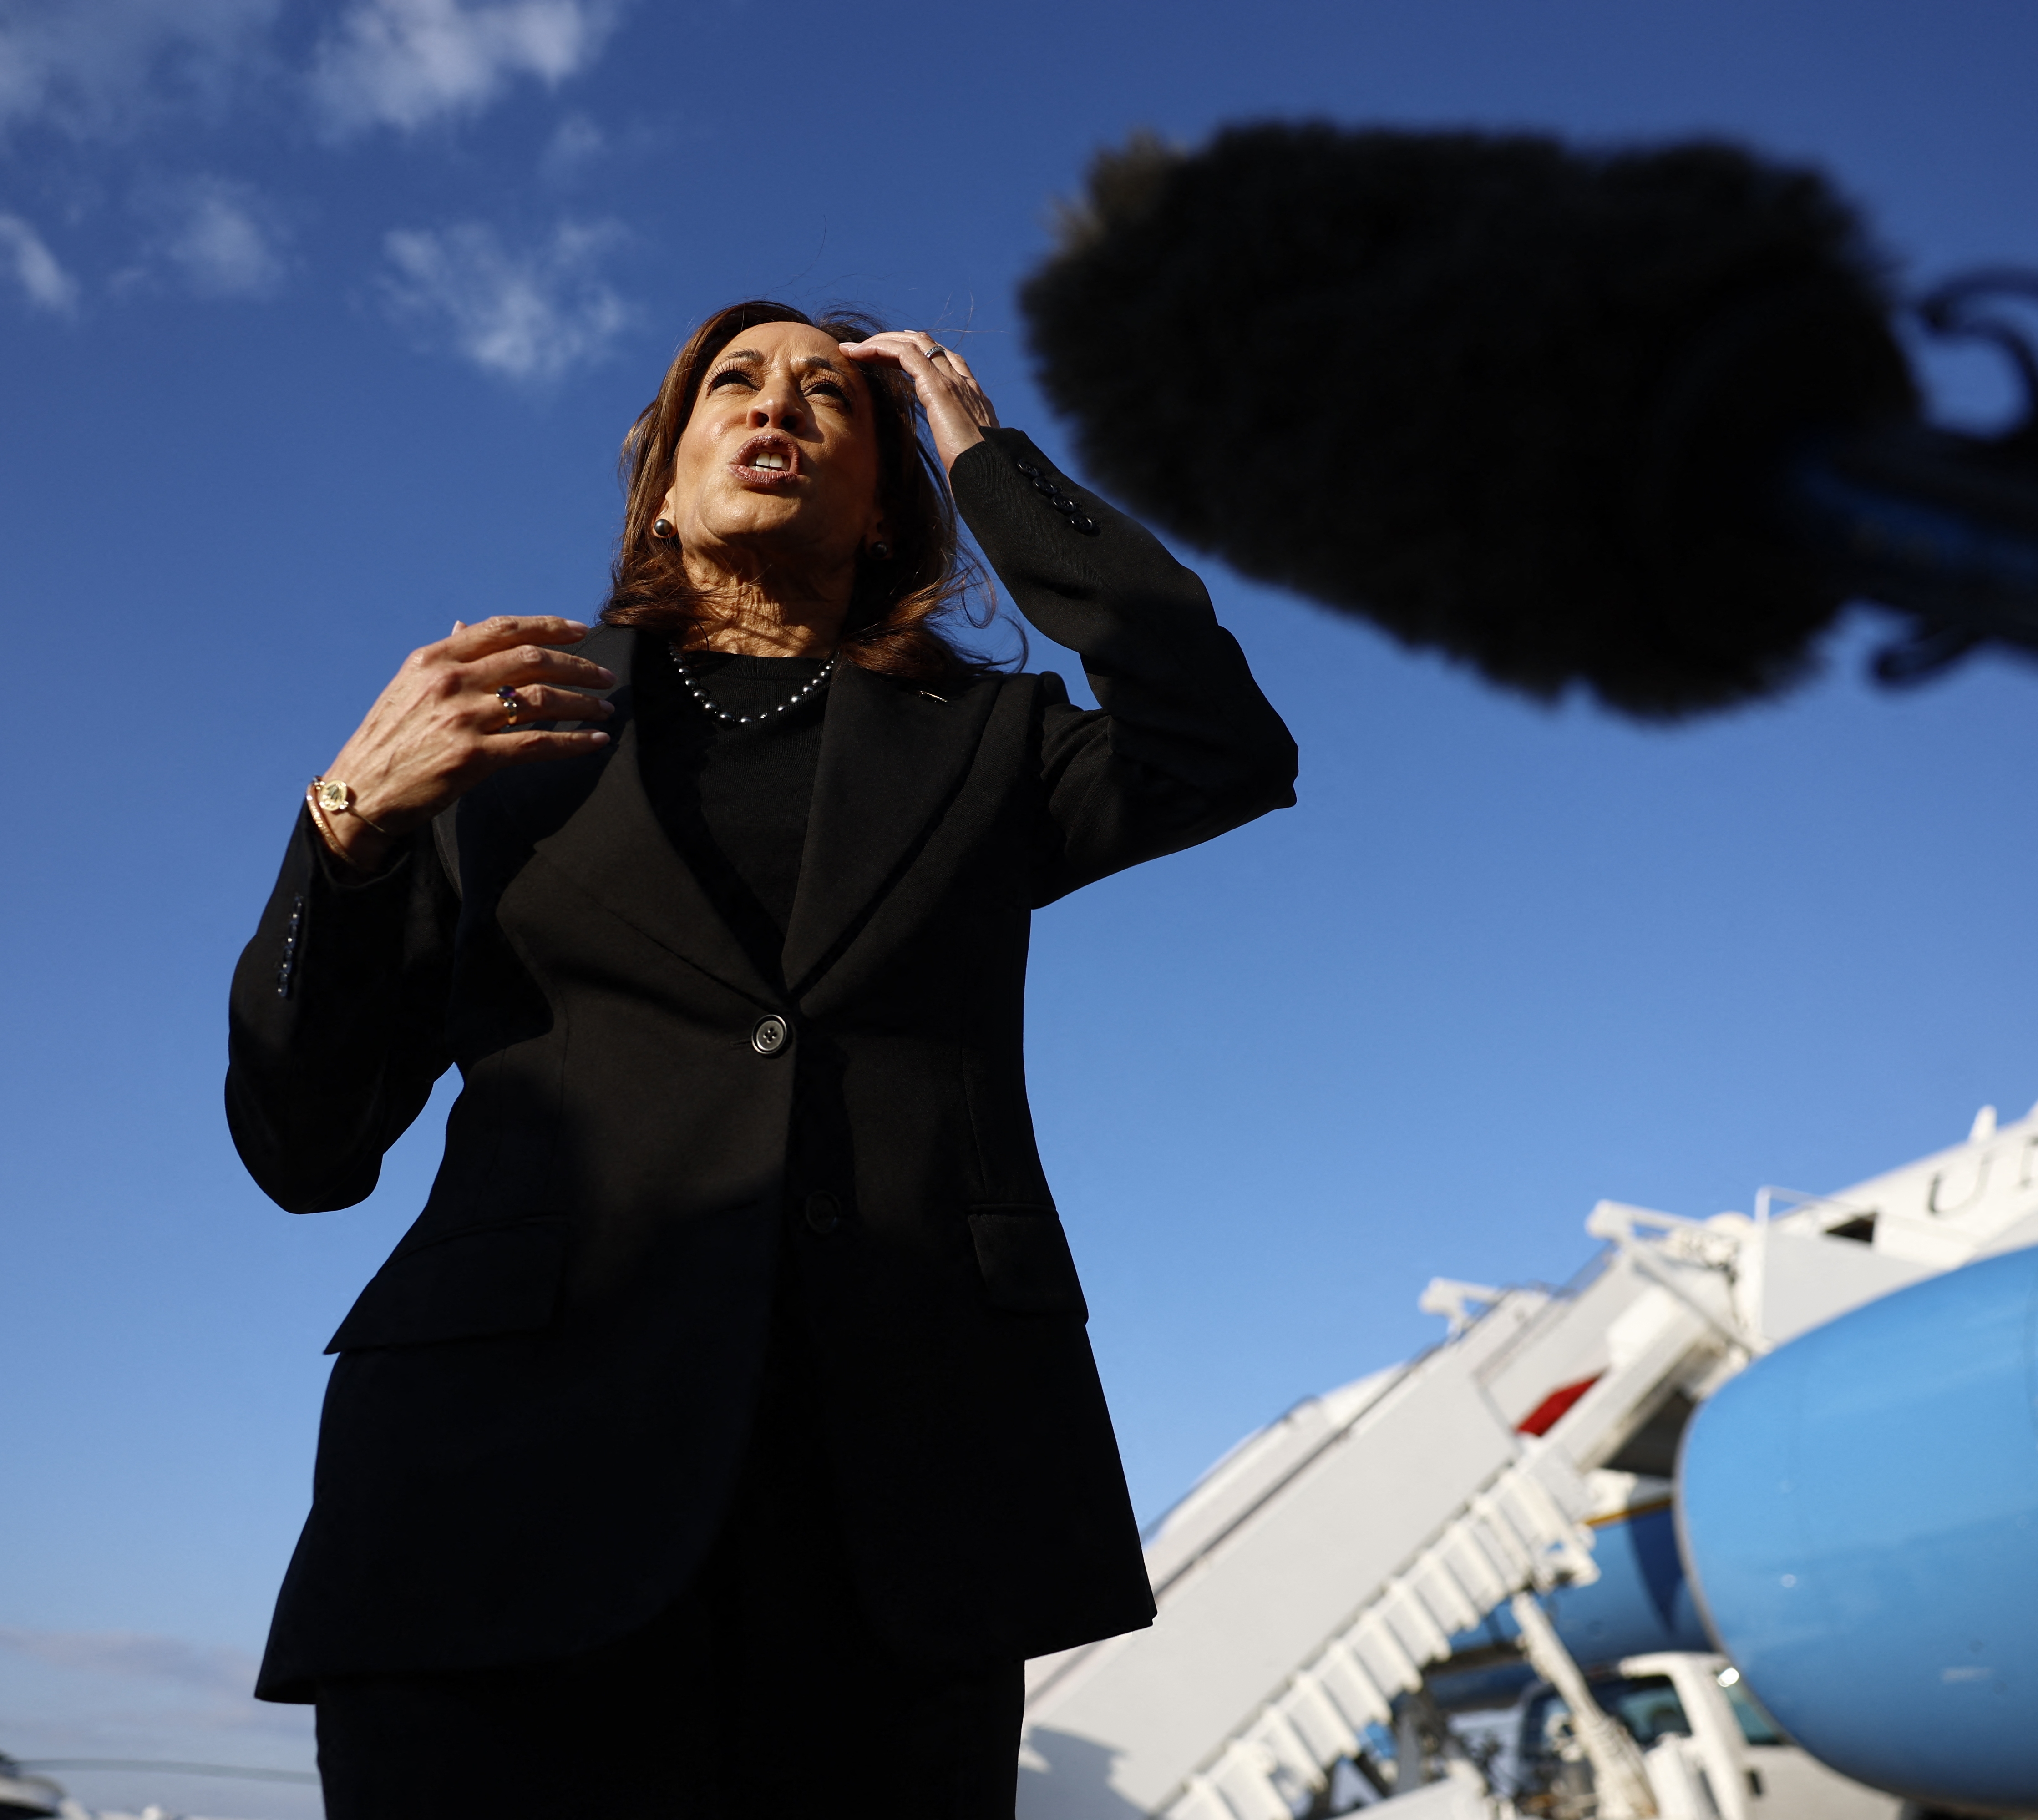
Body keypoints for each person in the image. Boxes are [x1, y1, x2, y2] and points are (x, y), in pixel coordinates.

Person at [225, 299, 1297, 1816]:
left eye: (830, 400)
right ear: (667, 484)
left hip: (899, 1523)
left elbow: (1226, 747)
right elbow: (304, 1147)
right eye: (734, 384)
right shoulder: (508, 725)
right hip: (494, 1507)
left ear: (887, 502)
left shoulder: (991, 745)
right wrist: (344, 827)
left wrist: (991, 461)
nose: (776, 406)